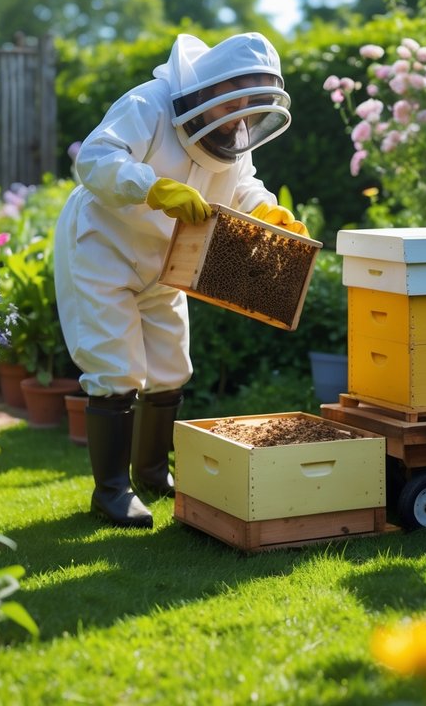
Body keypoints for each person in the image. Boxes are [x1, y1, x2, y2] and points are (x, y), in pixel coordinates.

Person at [54, 32, 308, 529]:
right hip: (102, 244)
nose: (239, 120)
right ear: (212, 88)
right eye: (233, 104)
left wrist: (267, 209)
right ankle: (110, 491)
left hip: (168, 255)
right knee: (115, 368)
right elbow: (94, 159)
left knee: (171, 366)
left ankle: (150, 473)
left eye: (248, 111)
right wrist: (152, 187)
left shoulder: (232, 134)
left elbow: (241, 184)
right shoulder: (148, 104)